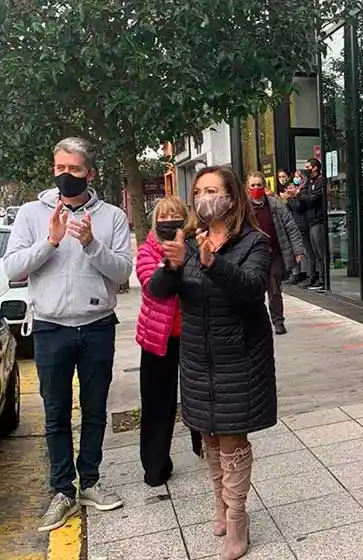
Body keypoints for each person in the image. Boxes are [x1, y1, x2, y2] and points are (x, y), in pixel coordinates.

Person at [3, 137, 132, 531]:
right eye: (60, 168)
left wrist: (91, 244)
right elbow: (13, 268)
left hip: (97, 326)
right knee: (55, 412)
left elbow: (123, 271)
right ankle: (62, 491)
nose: (66, 175)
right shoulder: (31, 214)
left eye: (74, 169)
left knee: (95, 410)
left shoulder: (111, 216)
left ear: (89, 173)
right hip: (50, 328)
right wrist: (51, 241)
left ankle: (90, 482)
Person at [148, 165, 275, 560]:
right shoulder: (187, 240)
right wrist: (171, 265)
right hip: (198, 357)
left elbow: (253, 288)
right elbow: (157, 292)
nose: (204, 198)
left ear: (232, 198)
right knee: (210, 437)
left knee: (233, 438)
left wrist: (213, 263)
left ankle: (237, 519)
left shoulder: (254, 242)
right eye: (199, 191)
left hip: (240, 357)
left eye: (212, 191)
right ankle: (220, 503)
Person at [135, 195, 203, 486]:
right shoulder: (147, 250)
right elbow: (154, 287)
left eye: (174, 215)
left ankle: (205, 446)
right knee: (157, 403)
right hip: (157, 339)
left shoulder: (196, 246)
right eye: (162, 216)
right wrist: (171, 264)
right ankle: (156, 466)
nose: (168, 220)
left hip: (193, 334)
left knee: (199, 396)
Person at [246, 171, 305, 335]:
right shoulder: (244, 208)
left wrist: (297, 250)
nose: (256, 188)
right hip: (253, 257)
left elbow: (291, 227)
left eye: (259, 185)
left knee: (274, 289)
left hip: (274, 254)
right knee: (254, 291)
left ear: (264, 186)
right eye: (253, 185)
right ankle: (256, 324)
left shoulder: (275, 204)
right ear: (248, 187)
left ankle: (278, 321)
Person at [285, 159, 326, 291]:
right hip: (310, 220)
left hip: (318, 220)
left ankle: (323, 279)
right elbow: (304, 198)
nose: (306, 169)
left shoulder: (320, 182)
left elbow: (312, 199)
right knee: (313, 252)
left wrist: (297, 194)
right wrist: (296, 195)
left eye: (308, 167)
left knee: (319, 252)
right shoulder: (310, 182)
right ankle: (314, 278)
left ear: (315, 168)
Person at [282, 170, 312, 284]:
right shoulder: (290, 198)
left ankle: (307, 274)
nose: (289, 189)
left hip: (301, 224)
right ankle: (296, 273)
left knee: (306, 251)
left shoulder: (300, 195)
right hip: (294, 225)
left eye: (291, 187)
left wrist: (290, 198)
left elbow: (298, 207)